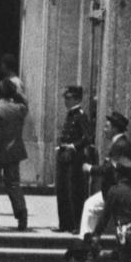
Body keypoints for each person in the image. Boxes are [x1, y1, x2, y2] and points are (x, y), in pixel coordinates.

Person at [0, 77, 31, 228]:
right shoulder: (20, 109)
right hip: (14, 151)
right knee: (14, 185)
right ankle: (22, 214)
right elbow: (25, 103)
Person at [49, 88, 97, 238]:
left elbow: (88, 137)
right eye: (65, 98)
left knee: (74, 191)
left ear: (77, 99)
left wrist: (74, 146)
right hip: (64, 155)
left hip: (74, 158)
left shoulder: (81, 115)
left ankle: (76, 224)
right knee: (62, 190)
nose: (66, 101)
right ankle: (64, 223)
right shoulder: (70, 115)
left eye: (69, 98)